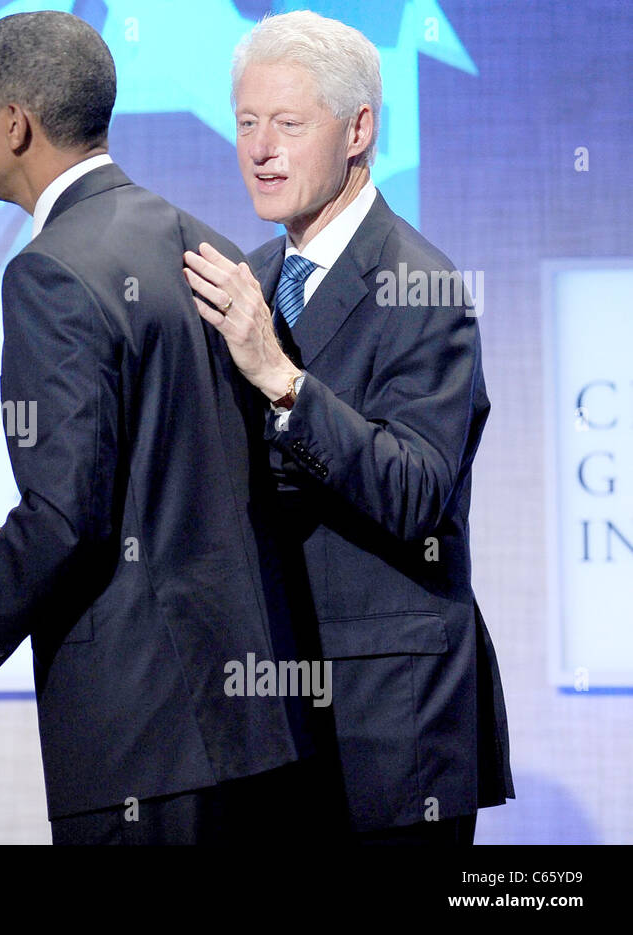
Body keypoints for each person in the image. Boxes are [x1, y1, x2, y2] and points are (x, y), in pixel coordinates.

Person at [0, 10, 311, 845]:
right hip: (251, 730)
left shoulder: (50, 272)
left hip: (142, 737)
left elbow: (67, 520)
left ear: (16, 125)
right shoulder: (201, 243)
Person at [183, 9, 513, 844]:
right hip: (270, 722)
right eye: (247, 123)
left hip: (389, 737)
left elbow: (412, 492)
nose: (260, 149)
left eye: (289, 124)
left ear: (360, 128)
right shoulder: (252, 279)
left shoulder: (422, 288)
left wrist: (283, 381)